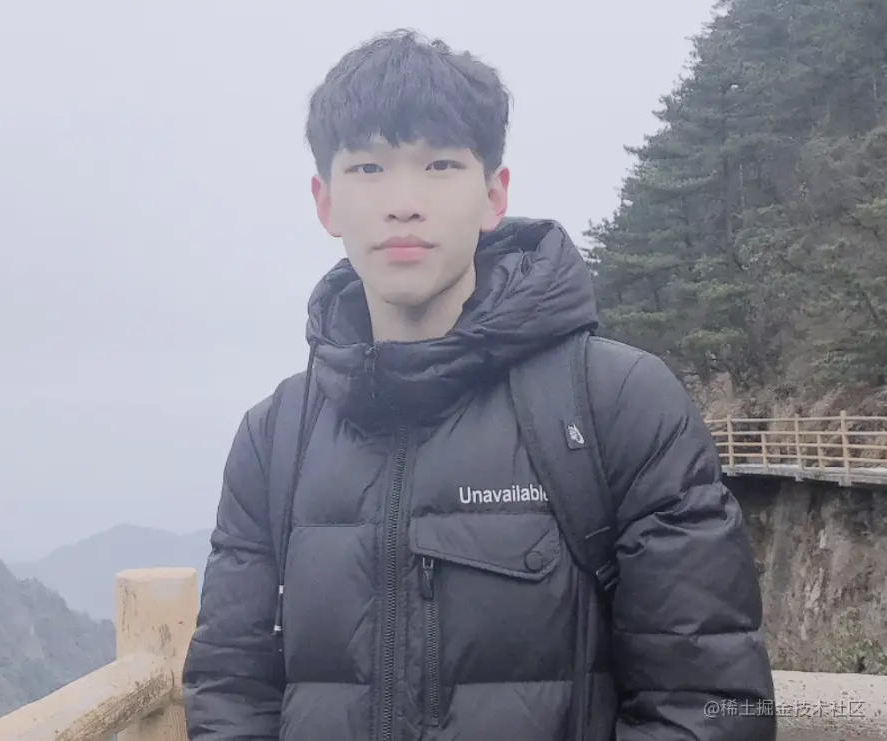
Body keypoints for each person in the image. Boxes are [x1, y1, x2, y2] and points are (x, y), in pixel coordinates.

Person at [182, 28, 776, 741]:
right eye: (368, 168)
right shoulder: (275, 436)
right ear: (325, 202)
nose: (403, 202)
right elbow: (229, 691)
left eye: (440, 164)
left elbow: (711, 706)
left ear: (494, 194)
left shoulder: (617, 406)